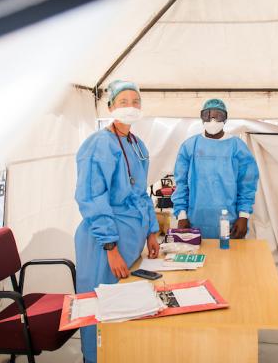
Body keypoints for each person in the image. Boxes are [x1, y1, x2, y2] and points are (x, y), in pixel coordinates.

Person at [73, 80, 159, 363]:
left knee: (124, 307)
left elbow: (141, 193)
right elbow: (91, 197)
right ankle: (94, 358)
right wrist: (111, 247)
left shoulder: (138, 145)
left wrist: (151, 232)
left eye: (136, 101)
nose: (131, 107)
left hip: (131, 239)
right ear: (110, 106)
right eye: (123, 102)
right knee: (100, 306)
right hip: (103, 242)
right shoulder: (98, 145)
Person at [171, 98, 259, 239]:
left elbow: (247, 185)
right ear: (202, 117)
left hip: (230, 223)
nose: (212, 120)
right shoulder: (190, 146)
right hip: (194, 222)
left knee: (229, 260)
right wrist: (181, 215)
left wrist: (244, 216)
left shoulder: (237, 148)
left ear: (225, 119)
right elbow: (181, 184)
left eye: (218, 115)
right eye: (208, 115)